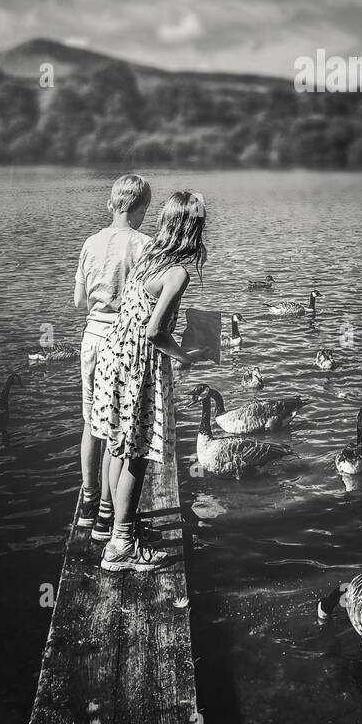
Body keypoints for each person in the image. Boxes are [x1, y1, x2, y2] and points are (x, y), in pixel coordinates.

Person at [90, 189, 207, 572]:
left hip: (113, 356)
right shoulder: (178, 272)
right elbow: (155, 331)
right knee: (137, 456)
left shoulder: (149, 256)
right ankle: (120, 548)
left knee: (117, 446)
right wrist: (186, 355)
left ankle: (115, 527)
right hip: (138, 365)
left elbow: (138, 310)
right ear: (193, 229)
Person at [74, 173, 152, 539]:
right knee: (121, 431)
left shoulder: (91, 242)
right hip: (125, 344)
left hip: (92, 338)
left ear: (111, 204)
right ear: (142, 208)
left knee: (92, 423)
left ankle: (89, 503)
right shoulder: (146, 245)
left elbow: (78, 302)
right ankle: (111, 515)